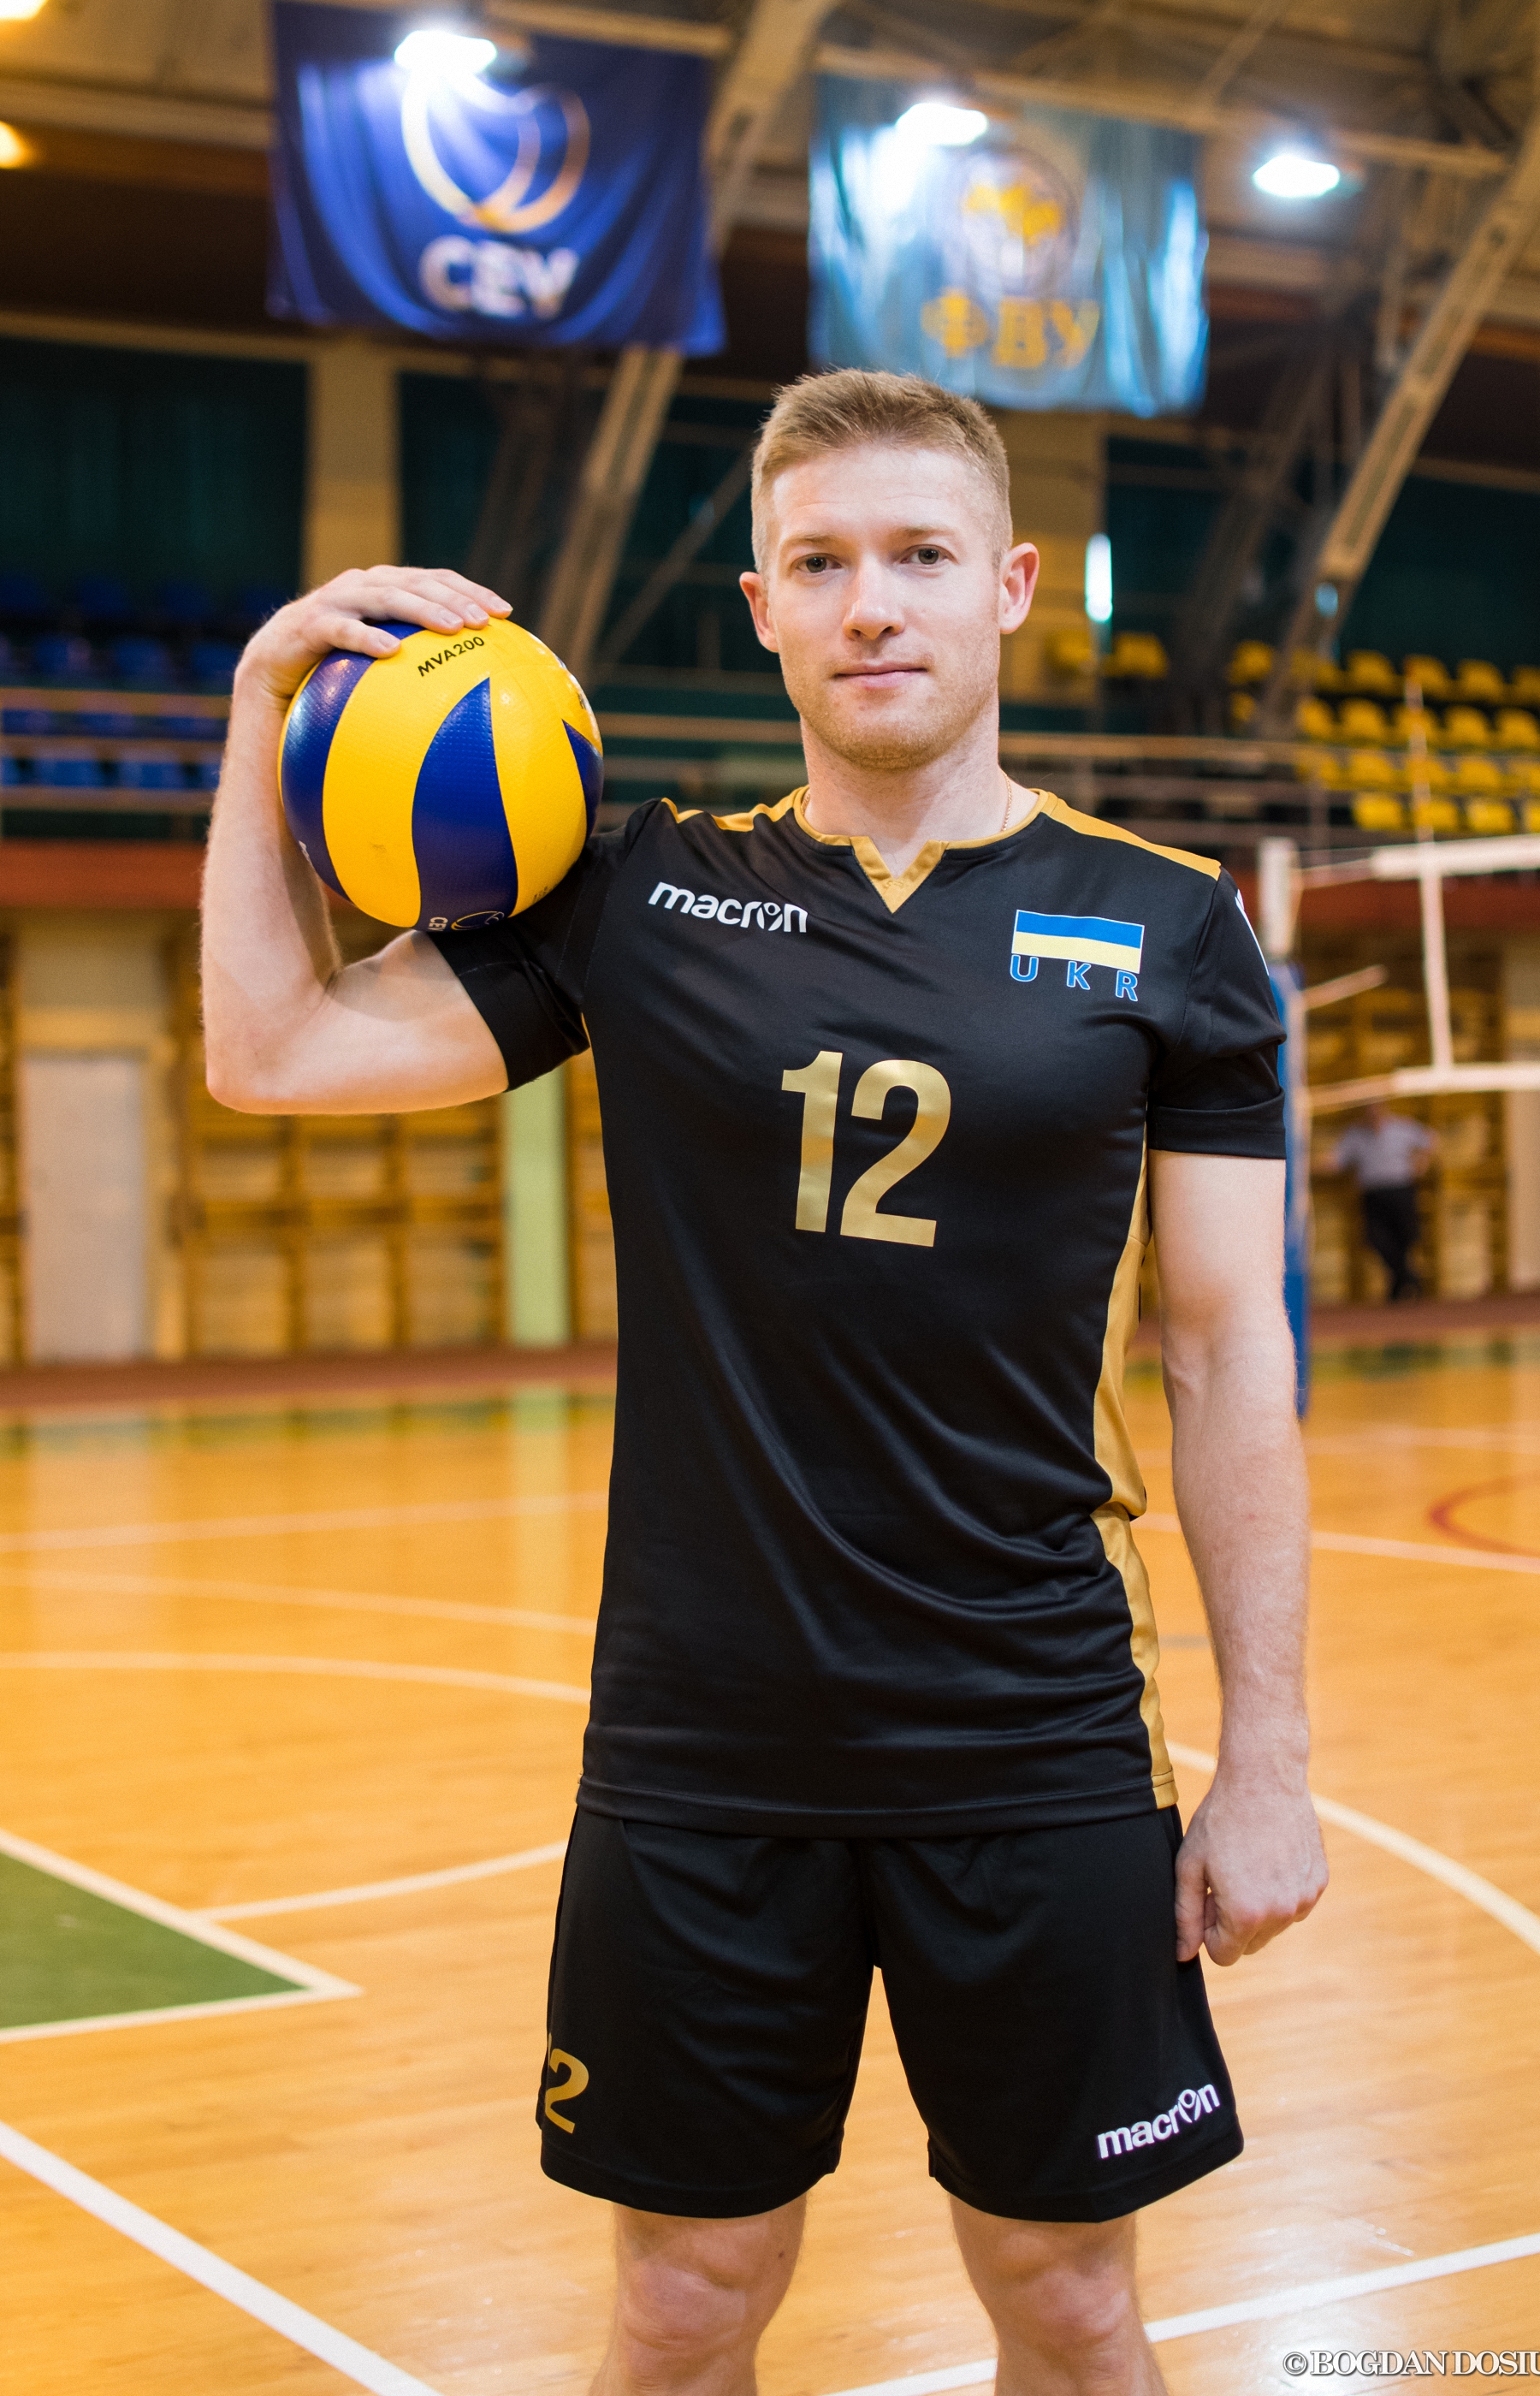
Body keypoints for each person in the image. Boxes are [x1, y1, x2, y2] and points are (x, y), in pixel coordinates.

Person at [202, 369, 1327, 2396]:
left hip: (1032, 1726)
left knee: (1073, 2301)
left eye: (917, 556)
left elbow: (1230, 1342)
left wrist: (1270, 1759)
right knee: (683, 2301)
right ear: (762, 608)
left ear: (1011, 586)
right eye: (821, 563)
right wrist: (262, 706)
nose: (870, 602)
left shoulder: (1172, 930)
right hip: (702, 1740)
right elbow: (270, 1049)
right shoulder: (635, 895)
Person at [1330, 1102, 1436, 1302]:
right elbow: (1337, 1160)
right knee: (1375, 1238)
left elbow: (1430, 1139)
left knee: (1404, 1237)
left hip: (1400, 1189)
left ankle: (1398, 1286)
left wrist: (1422, 1162)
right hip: (1373, 1193)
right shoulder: (1355, 1134)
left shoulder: (1402, 1126)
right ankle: (1410, 1278)